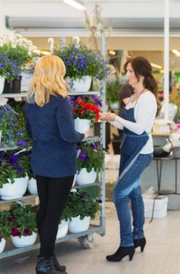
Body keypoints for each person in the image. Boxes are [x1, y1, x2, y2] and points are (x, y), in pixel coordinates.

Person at [23, 55, 88, 274]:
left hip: (41, 162)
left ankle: (50, 258)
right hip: (61, 164)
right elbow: (68, 134)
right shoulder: (60, 101)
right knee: (53, 213)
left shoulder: (31, 103)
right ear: (56, 74)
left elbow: (32, 134)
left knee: (45, 210)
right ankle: (44, 261)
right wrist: (83, 134)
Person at [99, 56, 160, 262]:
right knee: (134, 193)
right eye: (127, 71)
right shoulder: (135, 95)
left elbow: (140, 128)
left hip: (140, 152)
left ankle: (126, 244)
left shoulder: (147, 98)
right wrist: (110, 119)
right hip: (129, 149)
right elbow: (126, 127)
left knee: (118, 195)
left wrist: (115, 117)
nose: (127, 75)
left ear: (141, 74)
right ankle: (138, 236)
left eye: (130, 71)